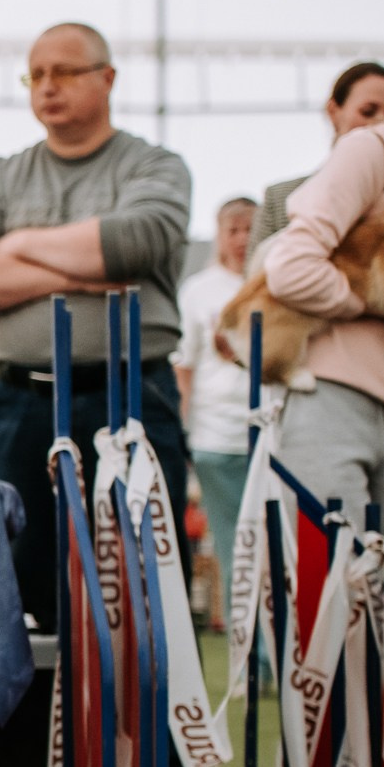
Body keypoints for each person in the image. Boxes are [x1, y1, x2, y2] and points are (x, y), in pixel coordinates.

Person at [0, 21, 196, 767]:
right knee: (18, 582)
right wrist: (84, 259)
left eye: (65, 71)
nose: (48, 86)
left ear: (107, 78)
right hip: (20, 403)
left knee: (142, 585)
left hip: (130, 399)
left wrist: (18, 251)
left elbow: (140, 240)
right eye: (35, 74)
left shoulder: (153, 166)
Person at [260, 104, 384, 542]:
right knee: (328, 586)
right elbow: (291, 269)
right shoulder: (374, 151)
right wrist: (379, 304)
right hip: (334, 398)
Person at [173, 198, 256, 626]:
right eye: (234, 229)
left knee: (274, 545)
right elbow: (184, 367)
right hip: (215, 437)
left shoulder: (274, 281)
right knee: (234, 546)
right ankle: (250, 654)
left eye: (250, 229)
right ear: (220, 235)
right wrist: (184, 432)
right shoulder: (199, 290)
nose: (243, 239)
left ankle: (277, 654)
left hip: (271, 437)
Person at [249, 62, 384, 257]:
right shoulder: (280, 199)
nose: (382, 123)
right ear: (333, 111)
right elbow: (255, 284)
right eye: (367, 111)